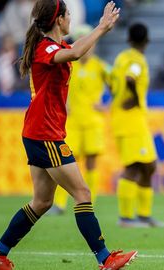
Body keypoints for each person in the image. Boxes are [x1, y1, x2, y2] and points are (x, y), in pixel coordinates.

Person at [0, 1, 137, 270]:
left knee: (41, 201)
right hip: (45, 134)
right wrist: (101, 27)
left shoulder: (54, 46)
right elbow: (76, 53)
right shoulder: (45, 48)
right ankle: (105, 258)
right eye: (68, 16)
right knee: (82, 192)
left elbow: (74, 50)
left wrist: (99, 32)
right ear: (58, 20)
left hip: (38, 131)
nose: (70, 21)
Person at [49, 24, 111, 214]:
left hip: (93, 121)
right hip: (73, 122)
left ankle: (89, 201)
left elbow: (120, 86)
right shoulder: (68, 64)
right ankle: (59, 204)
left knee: (92, 162)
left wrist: (107, 105)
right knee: (66, 163)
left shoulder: (101, 67)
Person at [110, 23, 164, 228]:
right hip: (130, 119)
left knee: (149, 166)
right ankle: (126, 218)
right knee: (134, 167)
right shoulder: (136, 60)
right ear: (147, 40)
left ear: (128, 39)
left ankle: (143, 215)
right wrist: (132, 99)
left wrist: (118, 97)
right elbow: (130, 78)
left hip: (126, 119)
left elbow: (112, 81)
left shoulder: (120, 58)